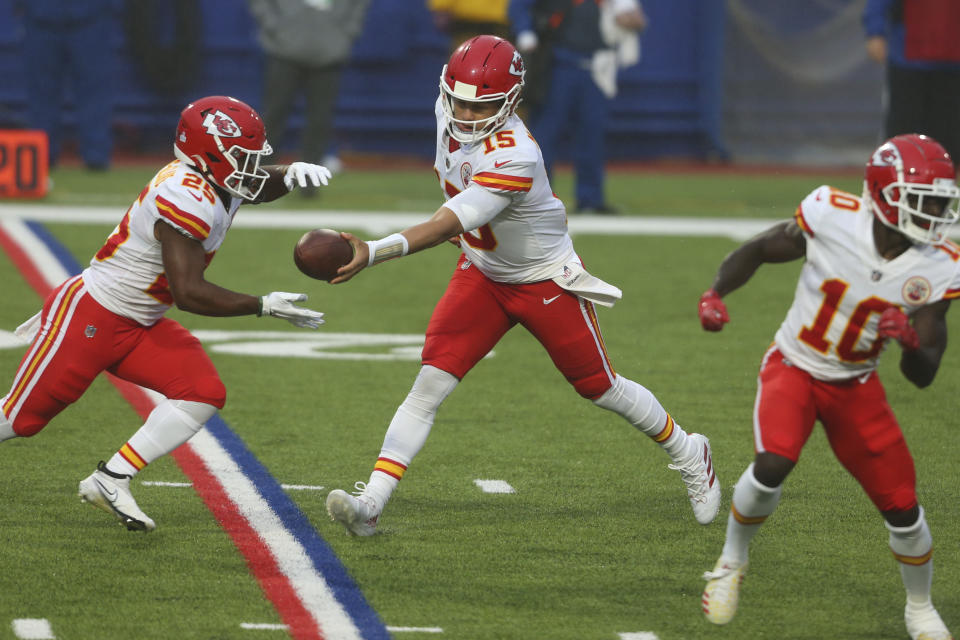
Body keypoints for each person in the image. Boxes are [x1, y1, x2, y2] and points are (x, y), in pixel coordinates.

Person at [323, 35, 720, 537]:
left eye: (479, 105)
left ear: (510, 102)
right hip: (484, 272)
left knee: (600, 387)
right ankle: (372, 503)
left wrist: (374, 251)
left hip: (541, 280)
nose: (465, 114)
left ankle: (690, 451)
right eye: (458, 100)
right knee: (430, 383)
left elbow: (450, 220)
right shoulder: (448, 110)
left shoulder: (517, 154)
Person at [0, 96, 329, 532]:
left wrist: (288, 173)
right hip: (93, 316)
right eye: (243, 157)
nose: (252, 167)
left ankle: (111, 477)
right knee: (19, 420)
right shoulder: (184, 194)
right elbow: (190, 293)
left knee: (202, 391)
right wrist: (263, 305)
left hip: (138, 323)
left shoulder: (214, 177)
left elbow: (252, 185)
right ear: (210, 154)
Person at [697, 133, 958, 640]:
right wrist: (715, 292)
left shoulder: (937, 265)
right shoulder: (831, 214)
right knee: (773, 462)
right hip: (794, 365)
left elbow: (924, 375)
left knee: (903, 507)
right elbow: (759, 249)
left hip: (855, 385)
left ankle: (920, 608)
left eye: (939, 203)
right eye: (922, 201)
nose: (934, 215)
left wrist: (909, 341)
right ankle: (731, 562)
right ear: (884, 195)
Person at [508, 0, 647, 214]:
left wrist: (627, 18)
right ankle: (537, 198)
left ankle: (590, 199)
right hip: (557, 65)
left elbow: (636, 20)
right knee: (544, 134)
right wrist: (525, 30)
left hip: (598, 67)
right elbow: (518, 5)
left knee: (592, 134)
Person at [248, 0, 372, 192]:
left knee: (320, 120)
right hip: (284, 49)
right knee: (274, 115)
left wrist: (345, 32)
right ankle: (263, 177)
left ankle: (310, 182)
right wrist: (276, 26)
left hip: (329, 52)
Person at [15, 0, 117, 169]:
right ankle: (42, 154)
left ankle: (96, 155)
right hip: (41, 16)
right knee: (42, 92)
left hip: (91, 17)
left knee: (95, 90)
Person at [863, 0, 960, 169]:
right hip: (907, 57)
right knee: (902, 136)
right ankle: (894, 183)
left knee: (950, 138)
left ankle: (946, 186)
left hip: (953, 61)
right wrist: (875, 31)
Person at [428, 0, 512, 54]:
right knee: (462, 67)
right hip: (465, 29)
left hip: (498, 29)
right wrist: (442, 7)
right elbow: (441, 17)